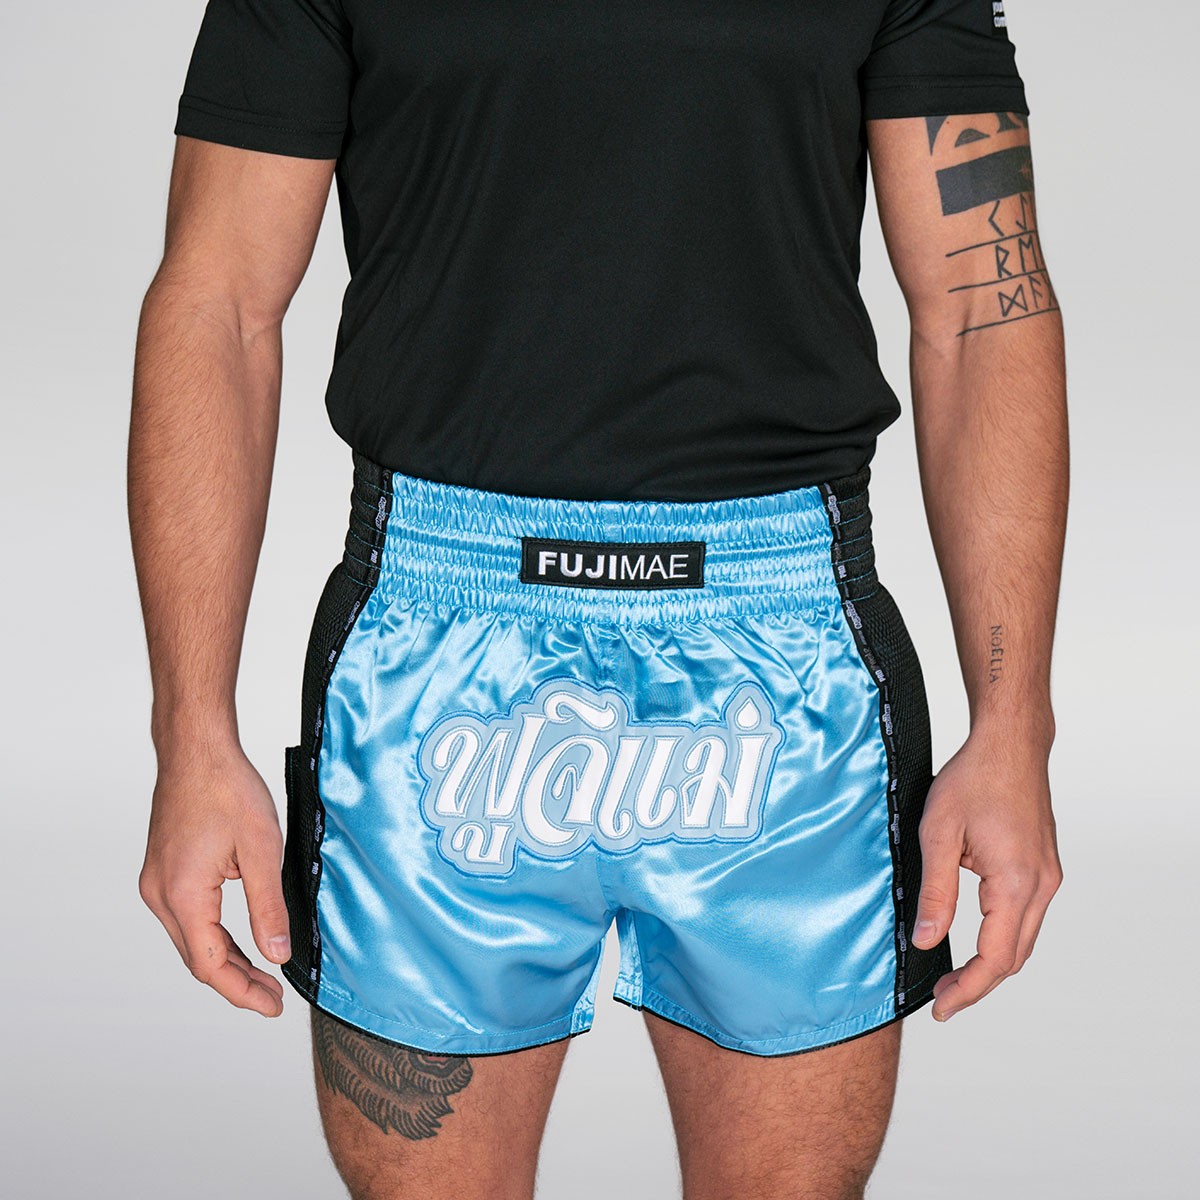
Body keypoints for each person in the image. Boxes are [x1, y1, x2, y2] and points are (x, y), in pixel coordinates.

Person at [130, 2, 1066, 1197]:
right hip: (439, 646)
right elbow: (216, 301)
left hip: (783, 653)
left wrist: (1015, 721)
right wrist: (189, 731)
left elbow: (985, 307)